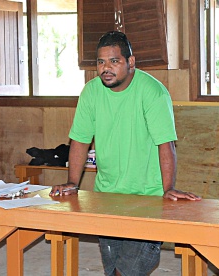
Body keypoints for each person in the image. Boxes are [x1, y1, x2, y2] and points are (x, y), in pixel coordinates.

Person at [49, 31, 201, 276]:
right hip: (106, 197)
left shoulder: (153, 92)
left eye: (114, 61)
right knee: (113, 271)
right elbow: (79, 141)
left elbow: (166, 144)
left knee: (125, 272)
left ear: (131, 62)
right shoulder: (91, 92)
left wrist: (168, 188)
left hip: (147, 201)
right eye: (100, 62)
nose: (105, 68)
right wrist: (71, 183)